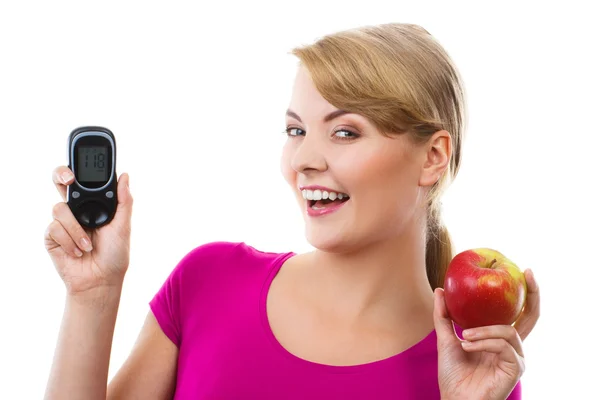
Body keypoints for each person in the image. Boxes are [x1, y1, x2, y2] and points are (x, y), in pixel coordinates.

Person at [43, 23, 540, 399]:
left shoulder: (472, 368)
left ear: (433, 157)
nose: (304, 160)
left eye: (345, 132)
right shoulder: (208, 282)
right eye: (296, 131)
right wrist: (93, 295)